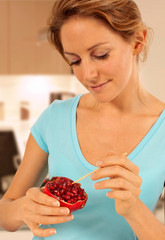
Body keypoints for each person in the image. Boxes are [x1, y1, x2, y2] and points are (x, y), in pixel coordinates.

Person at [0, 0, 165, 239]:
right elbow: (6, 213)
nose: (88, 74)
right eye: (75, 61)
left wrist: (134, 210)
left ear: (137, 42)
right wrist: (21, 209)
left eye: (101, 55)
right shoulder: (55, 118)